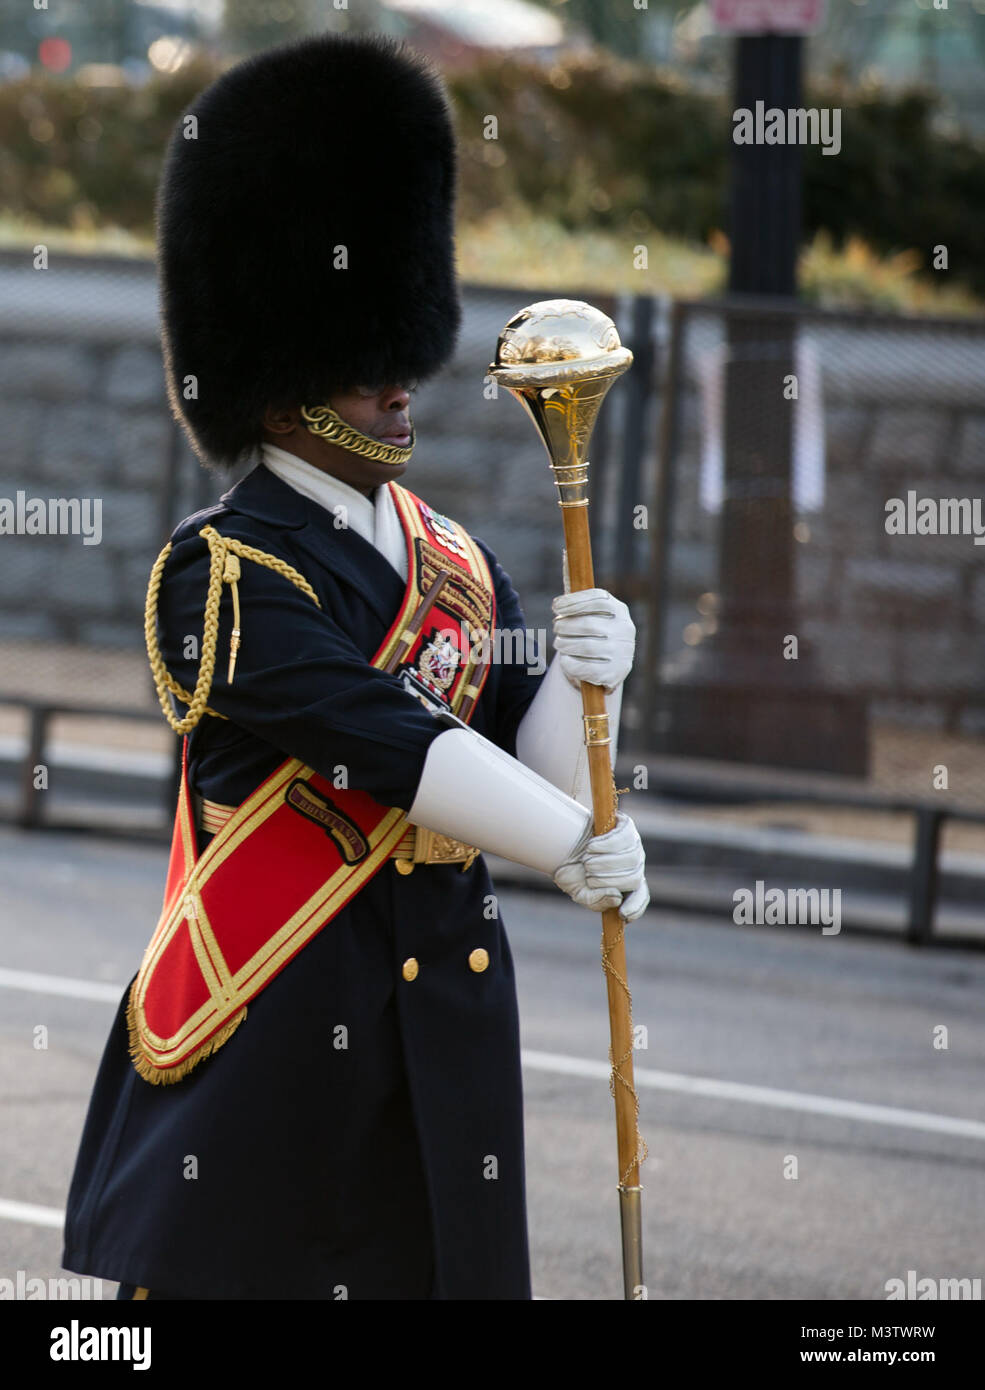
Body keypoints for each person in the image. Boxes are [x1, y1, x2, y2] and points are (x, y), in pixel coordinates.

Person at [61, 31, 647, 1301]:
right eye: (358, 361)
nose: (397, 386)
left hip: (442, 1053)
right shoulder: (221, 573)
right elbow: (387, 739)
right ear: (275, 389)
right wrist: (567, 841)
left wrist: (589, 680)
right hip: (278, 1054)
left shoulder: (460, 562)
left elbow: (512, 744)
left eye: (397, 353)